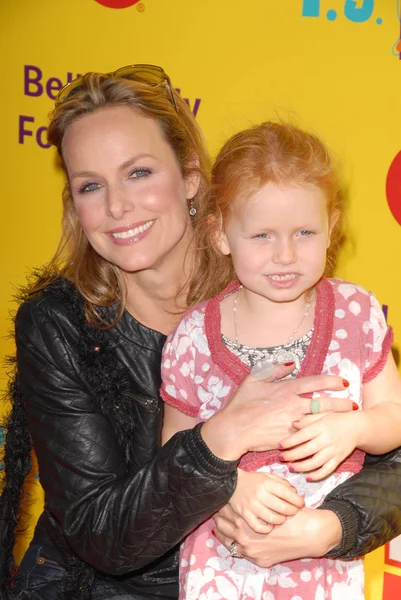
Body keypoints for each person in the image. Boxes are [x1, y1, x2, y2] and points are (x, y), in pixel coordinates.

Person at [0, 65, 400, 600]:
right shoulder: (57, 325)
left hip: (294, 568)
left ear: (190, 177)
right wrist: (220, 453)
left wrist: (331, 528)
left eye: (138, 172)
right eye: (90, 186)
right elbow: (102, 533)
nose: (117, 207)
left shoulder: (296, 290)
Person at [161, 121, 401, 599]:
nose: (285, 255)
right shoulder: (192, 337)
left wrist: (353, 429)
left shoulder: (357, 314)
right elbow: (174, 448)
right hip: (221, 565)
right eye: (262, 236)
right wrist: (227, 486)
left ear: (332, 227)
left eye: (305, 232)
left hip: (323, 566)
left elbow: (394, 416)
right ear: (221, 234)